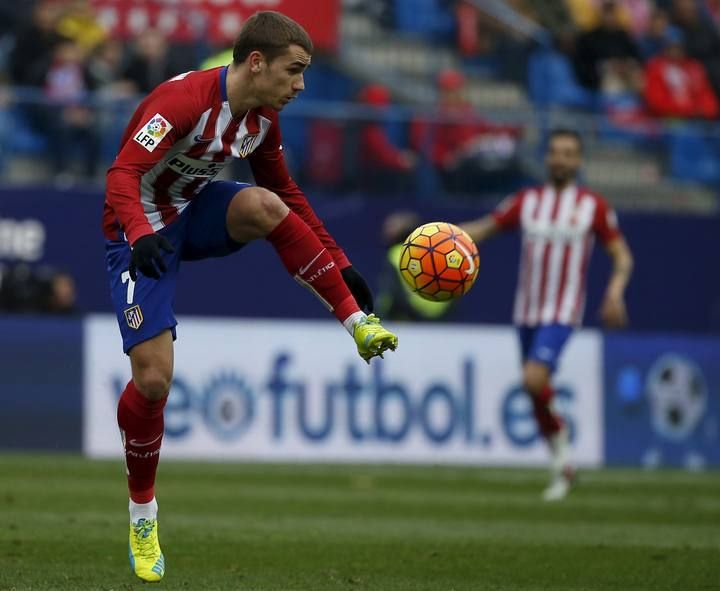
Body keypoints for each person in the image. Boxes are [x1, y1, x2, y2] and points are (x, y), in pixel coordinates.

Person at [103, 11, 398, 582]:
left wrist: (339, 261)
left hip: (195, 210)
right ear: (256, 62)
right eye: (295, 70)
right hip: (134, 229)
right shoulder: (183, 102)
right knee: (153, 380)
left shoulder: (260, 119)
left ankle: (357, 322)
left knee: (266, 206)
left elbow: (284, 191)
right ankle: (143, 516)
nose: (301, 85)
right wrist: (139, 235)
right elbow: (121, 174)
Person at [461, 129, 633, 501]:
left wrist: (615, 292)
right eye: (555, 152)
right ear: (547, 158)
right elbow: (486, 228)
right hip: (526, 312)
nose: (560, 159)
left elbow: (622, 255)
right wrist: (443, 234)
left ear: (579, 161)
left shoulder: (593, 206)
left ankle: (564, 449)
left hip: (562, 312)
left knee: (534, 379)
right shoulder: (528, 201)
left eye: (569, 153)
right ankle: (563, 462)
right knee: (533, 389)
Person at [644, 26, 719, 119]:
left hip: (698, 120)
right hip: (668, 120)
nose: (675, 51)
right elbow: (656, 100)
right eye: (671, 47)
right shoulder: (656, 67)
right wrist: (687, 110)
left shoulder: (694, 67)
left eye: (678, 47)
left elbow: (706, 94)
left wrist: (706, 110)